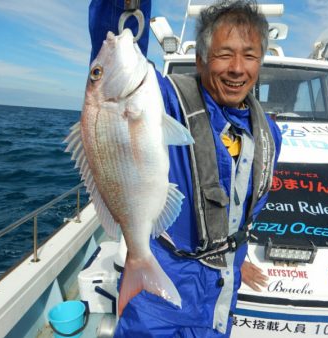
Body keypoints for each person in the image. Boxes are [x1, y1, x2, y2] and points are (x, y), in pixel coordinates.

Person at [89, 0, 281, 336]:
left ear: (260, 62)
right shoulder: (164, 99)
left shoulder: (269, 132)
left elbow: (247, 207)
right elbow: (113, 44)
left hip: (221, 292)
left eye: (249, 55)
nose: (238, 68)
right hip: (159, 294)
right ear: (200, 61)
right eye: (224, 54)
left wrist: (238, 256)